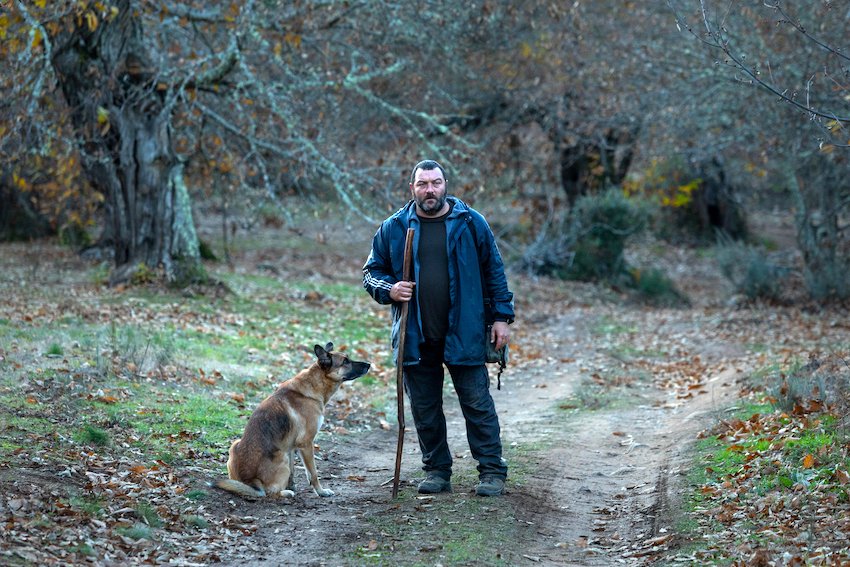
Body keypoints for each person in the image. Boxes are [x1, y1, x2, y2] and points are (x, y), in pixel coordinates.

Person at [362, 159, 515, 496]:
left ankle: (491, 471)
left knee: (477, 404)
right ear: (412, 188)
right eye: (422, 184)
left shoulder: (470, 223)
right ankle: (437, 472)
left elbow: (494, 271)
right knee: (425, 408)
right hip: (416, 334)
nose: (429, 190)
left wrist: (501, 317)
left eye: (435, 183)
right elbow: (371, 272)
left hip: (465, 330)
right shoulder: (394, 227)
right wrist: (390, 288)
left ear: (445, 185)